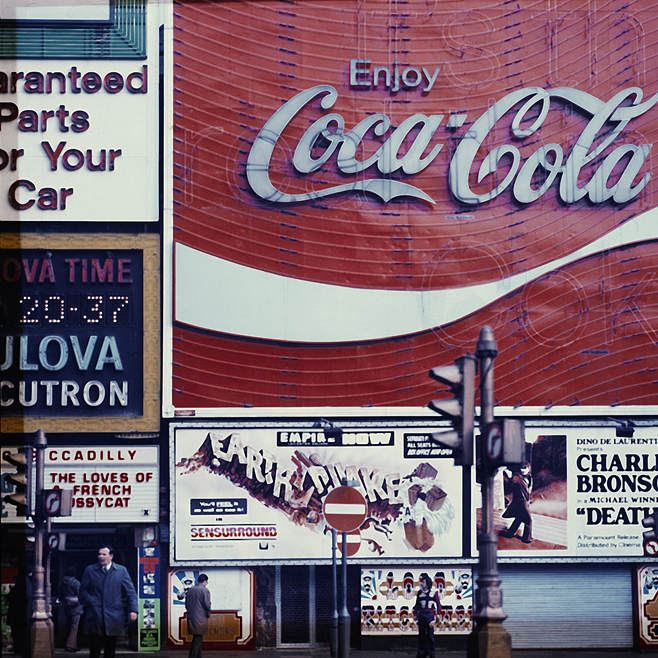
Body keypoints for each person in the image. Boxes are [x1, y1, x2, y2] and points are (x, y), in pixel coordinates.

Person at [79, 546, 138, 658]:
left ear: (111, 556)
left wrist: (134, 610)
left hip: (113, 616)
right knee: (95, 649)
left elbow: (131, 592)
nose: (100, 557)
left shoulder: (121, 571)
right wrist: (91, 601)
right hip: (95, 615)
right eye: (99, 554)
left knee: (110, 649)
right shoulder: (90, 570)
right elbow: (82, 591)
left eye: (104, 554)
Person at [500, 462, 533, 543]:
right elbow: (513, 479)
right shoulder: (517, 476)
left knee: (519, 518)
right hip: (521, 502)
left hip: (524, 501)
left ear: (528, 468)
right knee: (528, 521)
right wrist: (509, 475)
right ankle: (526, 538)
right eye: (522, 468)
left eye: (525, 468)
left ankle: (510, 533)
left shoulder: (529, 476)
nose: (523, 470)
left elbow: (528, 489)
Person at [413, 572, 440, 658]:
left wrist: (438, 614)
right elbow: (417, 604)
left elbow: (439, 604)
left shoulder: (433, 593)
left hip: (429, 615)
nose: (421, 583)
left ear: (427, 583)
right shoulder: (419, 593)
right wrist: (415, 614)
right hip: (421, 614)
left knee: (430, 634)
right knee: (421, 634)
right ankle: (422, 652)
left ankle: (431, 652)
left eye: (423, 582)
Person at [185, 573, 211, 658]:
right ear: (204, 581)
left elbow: (186, 605)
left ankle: (198, 656)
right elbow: (207, 605)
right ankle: (192, 656)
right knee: (198, 639)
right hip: (200, 618)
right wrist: (208, 613)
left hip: (191, 617)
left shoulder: (190, 590)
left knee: (197, 637)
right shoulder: (204, 590)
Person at [61, 566, 84, 652]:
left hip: (67, 607)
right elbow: (81, 594)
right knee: (74, 627)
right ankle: (70, 645)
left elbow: (61, 596)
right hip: (76, 607)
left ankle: (74, 645)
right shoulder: (76, 582)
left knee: (71, 626)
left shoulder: (62, 582)